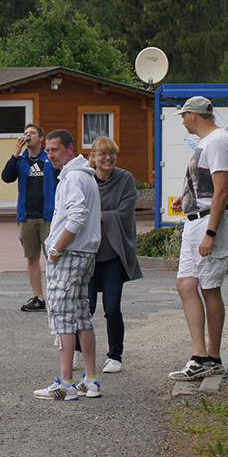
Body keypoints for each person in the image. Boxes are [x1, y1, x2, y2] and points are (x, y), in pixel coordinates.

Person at [168, 96, 228, 382]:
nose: (183, 120)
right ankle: (199, 355)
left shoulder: (218, 142)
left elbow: (222, 191)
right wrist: (186, 199)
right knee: (186, 284)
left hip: (211, 222)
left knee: (209, 287)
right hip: (196, 219)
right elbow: (208, 186)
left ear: (194, 115)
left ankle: (211, 356)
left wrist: (211, 232)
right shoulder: (208, 142)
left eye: (184, 115)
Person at [33, 129, 102, 401]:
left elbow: (77, 215)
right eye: (48, 150)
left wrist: (55, 248)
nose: (50, 155)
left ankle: (65, 383)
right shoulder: (83, 175)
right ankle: (91, 379)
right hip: (85, 253)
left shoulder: (73, 177)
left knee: (62, 316)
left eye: (55, 150)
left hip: (70, 254)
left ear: (70, 149)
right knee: (81, 314)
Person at [81, 137, 142, 374]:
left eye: (112, 154)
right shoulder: (85, 179)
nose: (108, 158)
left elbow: (125, 212)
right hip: (89, 255)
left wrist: (97, 215)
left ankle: (115, 355)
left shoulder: (125, 179)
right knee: (86, 308)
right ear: (93, 157)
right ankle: (78, 350)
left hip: (114, 254)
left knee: (113, 308)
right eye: (103, 154)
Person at [1, 123, 57, 312]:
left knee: (54, 257)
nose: (27, 136)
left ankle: (57, 295)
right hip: (27, 217)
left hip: (49, 217)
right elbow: (6, 177)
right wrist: (15, 152)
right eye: (25, 133)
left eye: (32, 133)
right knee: (32, 258)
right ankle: (38, 297)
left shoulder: (49, 158)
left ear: (41, 138)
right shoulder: (22, 159)